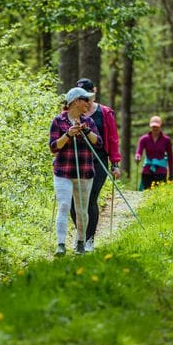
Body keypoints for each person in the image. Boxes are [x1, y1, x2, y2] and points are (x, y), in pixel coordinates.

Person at [67, 78, 121, 252]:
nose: (85, 99)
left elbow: (112, 139)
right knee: (74, 202)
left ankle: (89, 240)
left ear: (93, 92)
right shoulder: (74, 112)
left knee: (90, 200)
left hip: (98, 161)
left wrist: (115, 163)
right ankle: (81, 237)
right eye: (81, 95)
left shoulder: (105, 112)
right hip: (77, 161)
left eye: (87, 94)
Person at [49, 86, 101, 255]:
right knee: (64, 205)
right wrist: (68, 135)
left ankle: (80, 242)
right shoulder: (58, 121)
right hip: (63, 171)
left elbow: (98, 143)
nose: (89, 103)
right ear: (76, 102)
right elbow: (54, 147)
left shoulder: (89, 122)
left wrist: (85, 130)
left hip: (85, 171)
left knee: (81, 209)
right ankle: (61, 244)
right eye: (85, 100)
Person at [135, 115, 173, 190]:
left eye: (157, 126)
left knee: (159, 194)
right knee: (147, 192)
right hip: (147, 171)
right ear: (150, 126)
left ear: (160, 126)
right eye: (153, 126)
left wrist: (171, 173)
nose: (155, 128)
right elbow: (139, 151)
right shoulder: (144, 139)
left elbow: (170, 157)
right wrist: (137, 156)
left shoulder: (166, 140)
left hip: (161, 171)